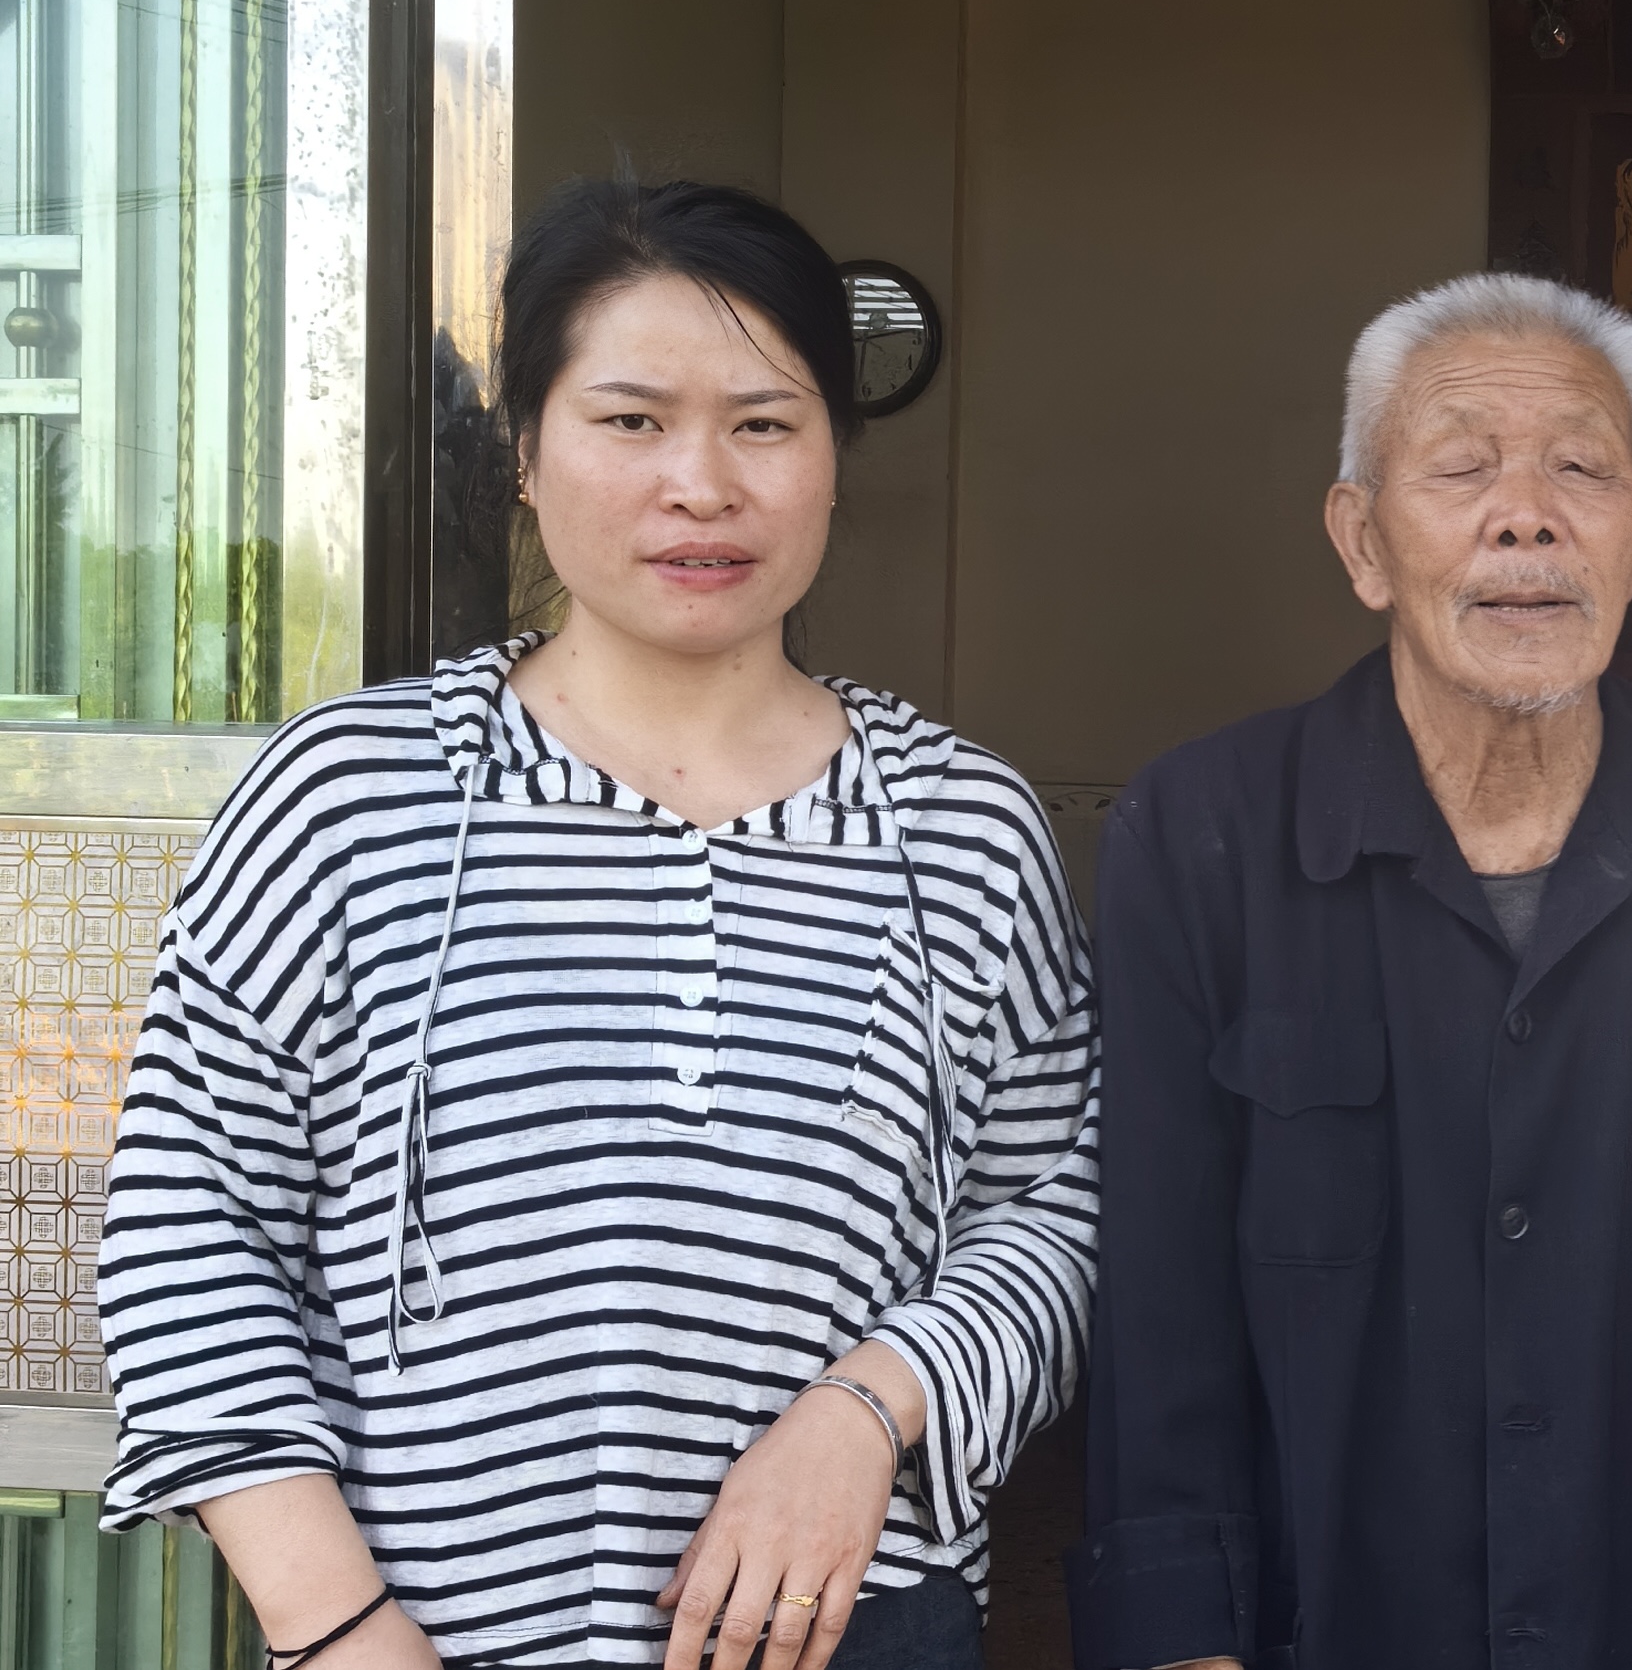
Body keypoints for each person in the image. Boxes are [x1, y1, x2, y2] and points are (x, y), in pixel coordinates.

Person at [98, 179, 1099, 1670]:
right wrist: (332, 1621)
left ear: (834, 455)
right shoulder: (351, 796)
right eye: (631, 419)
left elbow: (1057, 1207)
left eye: (765, 423)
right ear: (524, 453)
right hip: (420, 1627)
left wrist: (869, 1406)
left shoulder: (963, 829)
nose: (701, 484)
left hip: (849, 1624)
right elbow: (192, 1217)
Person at [1068, 274, 1632, 1670]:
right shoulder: (1206, 831)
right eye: (1463, 468)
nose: (1526, 515)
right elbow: (1160, 1296)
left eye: (1581, 469)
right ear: (1362, 539)